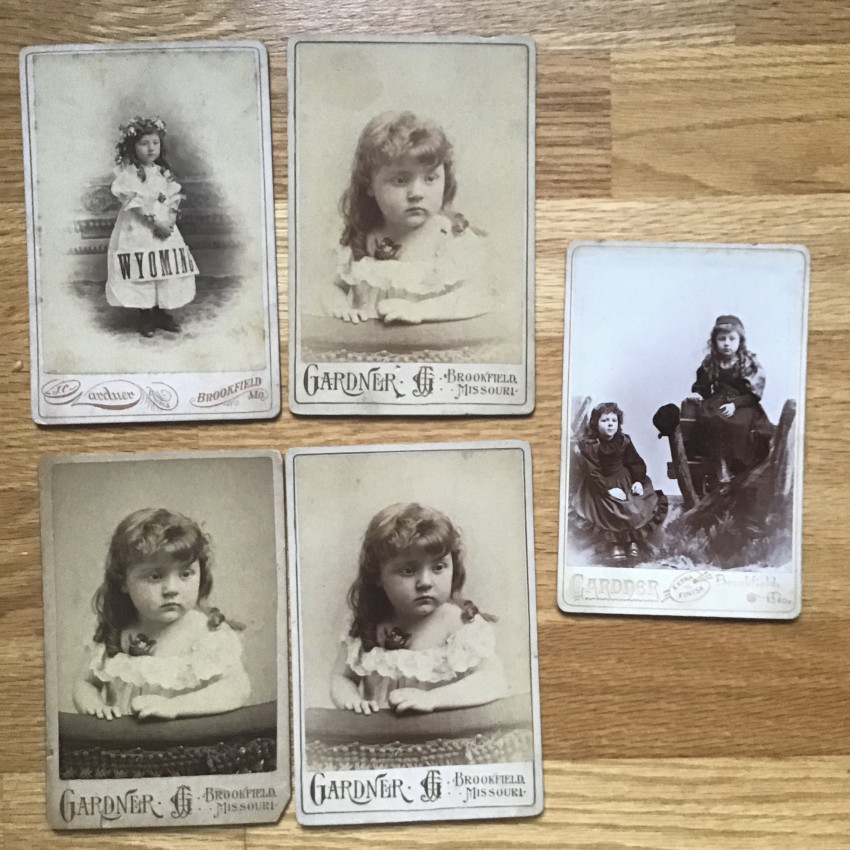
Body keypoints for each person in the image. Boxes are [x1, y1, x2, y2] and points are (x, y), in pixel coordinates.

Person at [73, 508, 250, 720]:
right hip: (125, 748)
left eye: (185, 574)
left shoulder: (207, 632)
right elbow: (85, 683)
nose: (171, 589)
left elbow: (237, 687)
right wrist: (95, 706)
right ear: (123, 582)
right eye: (156, 576)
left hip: (190, 746)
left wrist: (176, 706)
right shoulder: (116, 629)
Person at [330, 503, 507, 715]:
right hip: (381, 742)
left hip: (444, 739)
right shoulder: (369, 624)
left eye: (438, 567)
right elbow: (342, 677)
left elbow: (493, 680)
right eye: (408, 570)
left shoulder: (459, 624)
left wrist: (432, 699)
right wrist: (351, 700)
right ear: (377, 575)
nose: (425, 582)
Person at [327, 111, 492, 325]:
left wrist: (421, 310)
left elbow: (480, 296)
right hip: (369, 350)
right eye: (400, 180)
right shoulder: (361, 236)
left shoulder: (452, 239)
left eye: (430, 178)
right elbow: (331, 288)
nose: (417, 193)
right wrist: (340, 306)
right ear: (369, 184)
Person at [105, 116, 197, 338]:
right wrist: (156, 222)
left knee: (163, 266)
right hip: (139, 227)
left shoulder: (163, 172)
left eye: (155, 143)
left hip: (165, 226)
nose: (150, 148)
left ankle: (160, 311)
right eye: (144, 143)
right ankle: (145, 313)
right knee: (142, 266)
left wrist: (170, 222)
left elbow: (174, 198)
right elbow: (134, 204)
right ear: (132, 146)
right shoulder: (129, 174)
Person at [570, 403, 668, 561]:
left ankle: (632, 541)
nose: (610, 424)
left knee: (633, 504)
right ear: (596, 424)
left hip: (625, 479)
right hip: (601, 483)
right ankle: (615, 544)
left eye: (614, 420)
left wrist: (637, 481)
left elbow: (635, 462)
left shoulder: (624, 441)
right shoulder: (590, 445)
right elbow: (593, 472)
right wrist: (608, 489)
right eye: (605, 420)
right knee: (610, 507)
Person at [687, 315, 773, 485]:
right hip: (718, 400)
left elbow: (753, 394)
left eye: (732, 339)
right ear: (714, 341)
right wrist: (698, 393)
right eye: (722, 339)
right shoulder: (711, 363)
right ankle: (721, 464)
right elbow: (702, 385)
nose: (726, 343)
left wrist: (735, 404)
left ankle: (739, 466)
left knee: (739, 423)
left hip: (744, 403)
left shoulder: (748, 362)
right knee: (711, 417)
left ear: (740, 341)